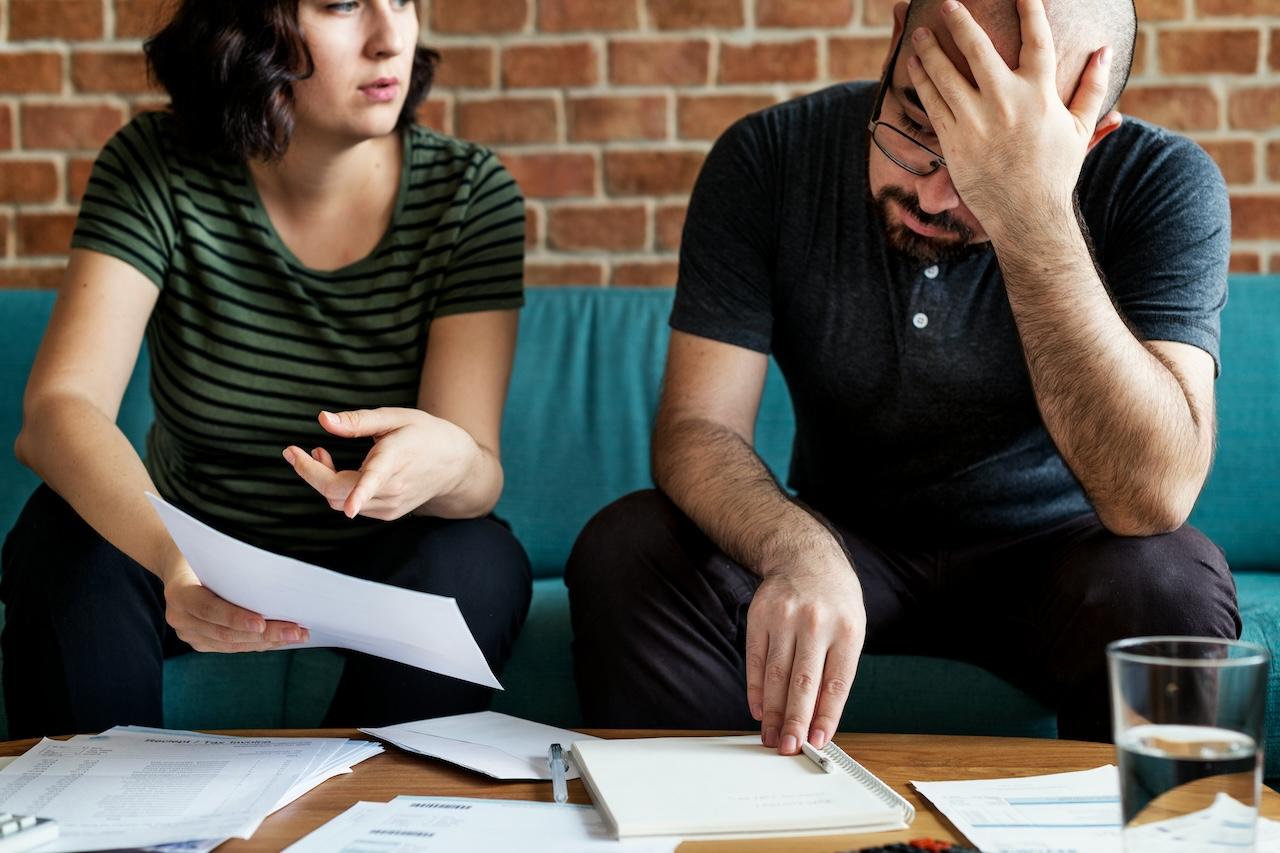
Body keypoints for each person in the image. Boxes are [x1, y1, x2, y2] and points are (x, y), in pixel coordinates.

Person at [566, 0, 1241, 754]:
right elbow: (698, 426)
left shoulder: (1163, 183)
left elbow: (1154, 496)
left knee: (1172, 581)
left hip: (1055, 558)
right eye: (919, 126)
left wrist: (1033, 211)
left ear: (1090, 138)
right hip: (843, 540)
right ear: (896, 40)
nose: (931, 196)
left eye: (986, 167)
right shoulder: (769, 157)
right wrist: (798, 549)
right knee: (628, 547)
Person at [1, 0, 531, 737]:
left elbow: (480, 472)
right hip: (186, 546)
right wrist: (174, 557)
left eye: (403, 0)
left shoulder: (469, 194)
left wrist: (448, 459)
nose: (389, 39)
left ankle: (355, 820)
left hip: (379, 565)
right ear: (251, 26)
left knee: (480, 558)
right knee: (63, 535)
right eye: (344, 5)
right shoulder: (157, 163)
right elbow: (59, 407)